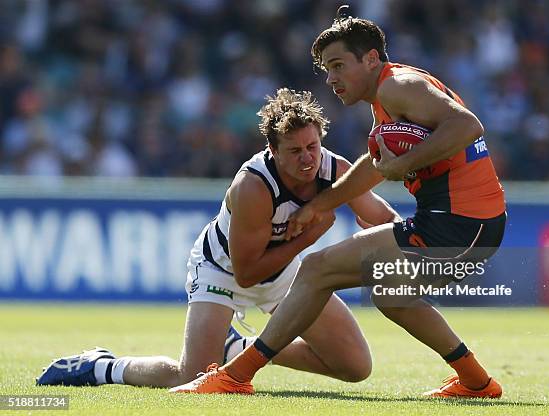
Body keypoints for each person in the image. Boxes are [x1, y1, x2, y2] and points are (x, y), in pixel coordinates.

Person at [171, 6, 506, 399]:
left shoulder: (396, 86)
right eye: (326, 69)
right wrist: (322, 203)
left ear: (370, 59)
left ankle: (235, 375)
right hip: (468, 224)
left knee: (316, 269)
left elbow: (468, 125)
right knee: (390, 293)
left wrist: (405, 165)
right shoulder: (391, 92)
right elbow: (375, 166)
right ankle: (476, 381)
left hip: (461, 224)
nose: (331, 79)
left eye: (337, 65)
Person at [36, 88, 401, 389]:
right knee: (192, 378)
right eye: (295, 151)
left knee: (355, 367)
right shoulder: (254, 187)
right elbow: (247, 274)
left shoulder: (333, 169)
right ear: (272, 151)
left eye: (312, 146)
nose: (308, 158)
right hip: (222, 270)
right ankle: (102, 367)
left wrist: (406, 252)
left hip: (285, 271)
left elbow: (382, 217)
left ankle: (235, 348)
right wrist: (308, 239)